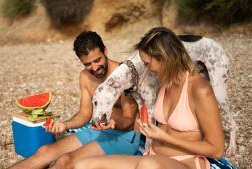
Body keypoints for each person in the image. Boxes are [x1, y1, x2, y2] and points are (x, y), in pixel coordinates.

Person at [73, 27, 225, 169]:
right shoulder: (163, 82)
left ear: (164, 59)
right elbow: (143, 123)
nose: (145, 69)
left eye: (146, 63)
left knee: (148, 164)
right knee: (83, 165)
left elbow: (217, 150)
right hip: (151, 157)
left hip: (184, 162)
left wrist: (166, 137)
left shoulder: (200, 90)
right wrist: (115, 123)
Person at [8, 31, 140, 169]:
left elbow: (128, 120)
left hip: (124, 135)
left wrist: (114, 123)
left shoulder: (124, 74)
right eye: (88, 64)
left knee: (66, 161)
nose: (94, 68)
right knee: (44, 152)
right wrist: (65, 125)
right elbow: (84, 114)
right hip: (97, 130)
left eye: (97, 60)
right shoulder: (85, 76)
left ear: (105, 51)